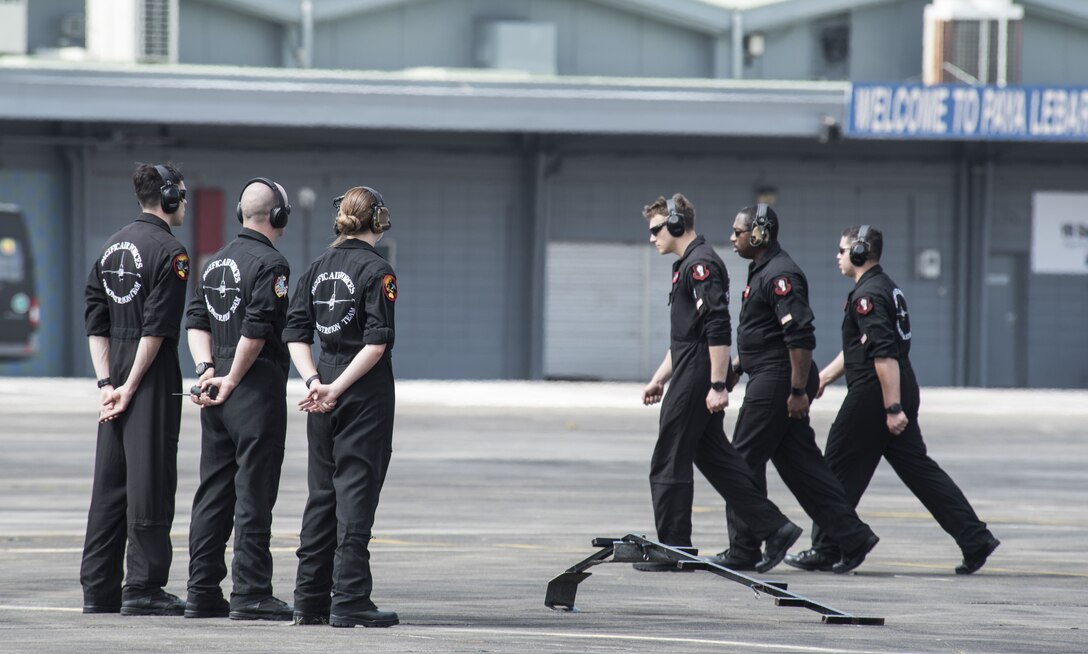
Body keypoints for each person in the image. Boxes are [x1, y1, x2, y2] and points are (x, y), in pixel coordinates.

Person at [786, 225, 1000, 574]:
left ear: (858, 252)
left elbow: (882, 355)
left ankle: (827, 547)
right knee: (920, 472)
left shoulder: (867, 296)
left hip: (876, 392)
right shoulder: (884, 287)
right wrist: (824, 377)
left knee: (835, 467)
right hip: (894, 385)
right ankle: (974, 538)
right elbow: (862, 347)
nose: (837, 257)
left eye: (841, 251)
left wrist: (893, 407)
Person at [638, 193, 802, 574]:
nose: (652, 238)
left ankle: (673, 547)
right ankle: (775, 528)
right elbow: (685, 337)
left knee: (669, 458)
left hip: (699, 373)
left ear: (677, 224)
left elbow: (716, 327)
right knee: (718, 460)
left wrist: (717, 384)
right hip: (692, 367)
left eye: (656, 230)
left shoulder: (701, 266)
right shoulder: (690, 264)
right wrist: (659, 378)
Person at [716, 204, 879, 574]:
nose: (732, 237)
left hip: (779, 381)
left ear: (759, 234)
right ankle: (853, 537)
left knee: (739, 462)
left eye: (738, 231)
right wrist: (742, 363)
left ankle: (749, 544)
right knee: (804, 470)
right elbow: (768, 334)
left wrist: (796, 391)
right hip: (773, 375)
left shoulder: (781, 274)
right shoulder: (763, 271)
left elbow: (800, 337)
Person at [283, 185, 399, 628]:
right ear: (379, 220)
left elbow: (296, 333)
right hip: (362, 392)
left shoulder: (316, 267)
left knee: (322, 493)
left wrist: (316, 381)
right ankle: (350, 598)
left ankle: (308, 598)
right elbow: (375, 343)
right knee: (356, 493)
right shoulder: (378, 270)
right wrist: (338, 387)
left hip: (323, 387)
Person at [81, 163, 191, 616]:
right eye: (181, 193)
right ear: (167, 197)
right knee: (151, 478)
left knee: (109, 483)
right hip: (148, 374)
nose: (184, 200)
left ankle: (98, 588)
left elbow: (95, 319)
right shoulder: (171, 252)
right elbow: (157, 330)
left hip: (115, 371)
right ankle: (143, 586)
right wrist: (128, 388)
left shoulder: (109, 247)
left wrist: (107, 383)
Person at [183, 178, 294, 620]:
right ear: (278, 216)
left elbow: (195, 320)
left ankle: (202, 590)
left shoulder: (214, 264)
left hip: (217, 393)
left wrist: (207, 371)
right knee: (253, 492)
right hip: (253, 388)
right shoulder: (272, 264)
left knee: (213, 490)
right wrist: (231, 378)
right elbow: (257, 326)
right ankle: (251, 592)